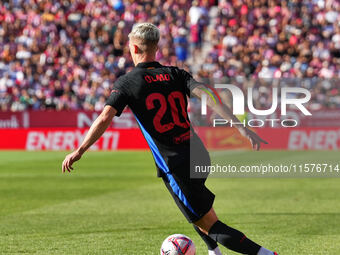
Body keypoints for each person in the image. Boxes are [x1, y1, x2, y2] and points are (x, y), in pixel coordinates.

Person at [62, 23, 278, 255]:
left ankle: (267, 254)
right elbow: (208, 96)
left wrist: (80, 149)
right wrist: (240, 127)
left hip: (175, 162)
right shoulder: (176, 73)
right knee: (194, 211)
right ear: (156, 47)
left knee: (210, 224)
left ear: (133, 48)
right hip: (198, 153)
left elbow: (105, 117)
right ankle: (213, 252)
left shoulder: (127, 82)